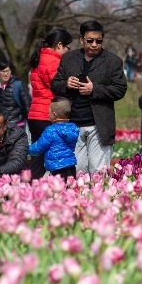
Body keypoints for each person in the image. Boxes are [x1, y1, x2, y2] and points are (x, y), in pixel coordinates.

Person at [50, 20, 127, 174]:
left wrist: (94, 89)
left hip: (98, 125)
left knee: (99, 171)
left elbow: (120, 89)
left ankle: (101, 198)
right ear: (81, 39)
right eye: (89, 40)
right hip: (72, 123)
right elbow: (55, 85)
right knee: (77, 171)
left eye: (98, 41)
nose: (94, 44)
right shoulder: (69, 58)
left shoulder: (113, 61)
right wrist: (66, 84)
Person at [28, 28, 73, 179]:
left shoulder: (38, 58)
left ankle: (30, 191)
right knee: (57, 157)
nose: (68, 51)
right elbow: (57, 86)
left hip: (34, 115)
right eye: (67, 47)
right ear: (59, 45)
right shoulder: (53, 61)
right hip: (49, 115)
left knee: (37, 160)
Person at [29, 97, 79, 181]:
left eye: (49, 111)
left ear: (54, 114)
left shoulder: (51, 131)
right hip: (71, 167)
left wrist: (27, 148)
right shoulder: (73, 128)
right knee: (70, 190)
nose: (48, 113)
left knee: (58, 191)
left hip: (57, 168)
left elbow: (38, 147)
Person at [0, 59, 32, 128]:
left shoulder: (18, 86)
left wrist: (31, 126)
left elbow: (28, 107)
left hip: (18, 126)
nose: (6, 74)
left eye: (8, 71)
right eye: (3, 71)